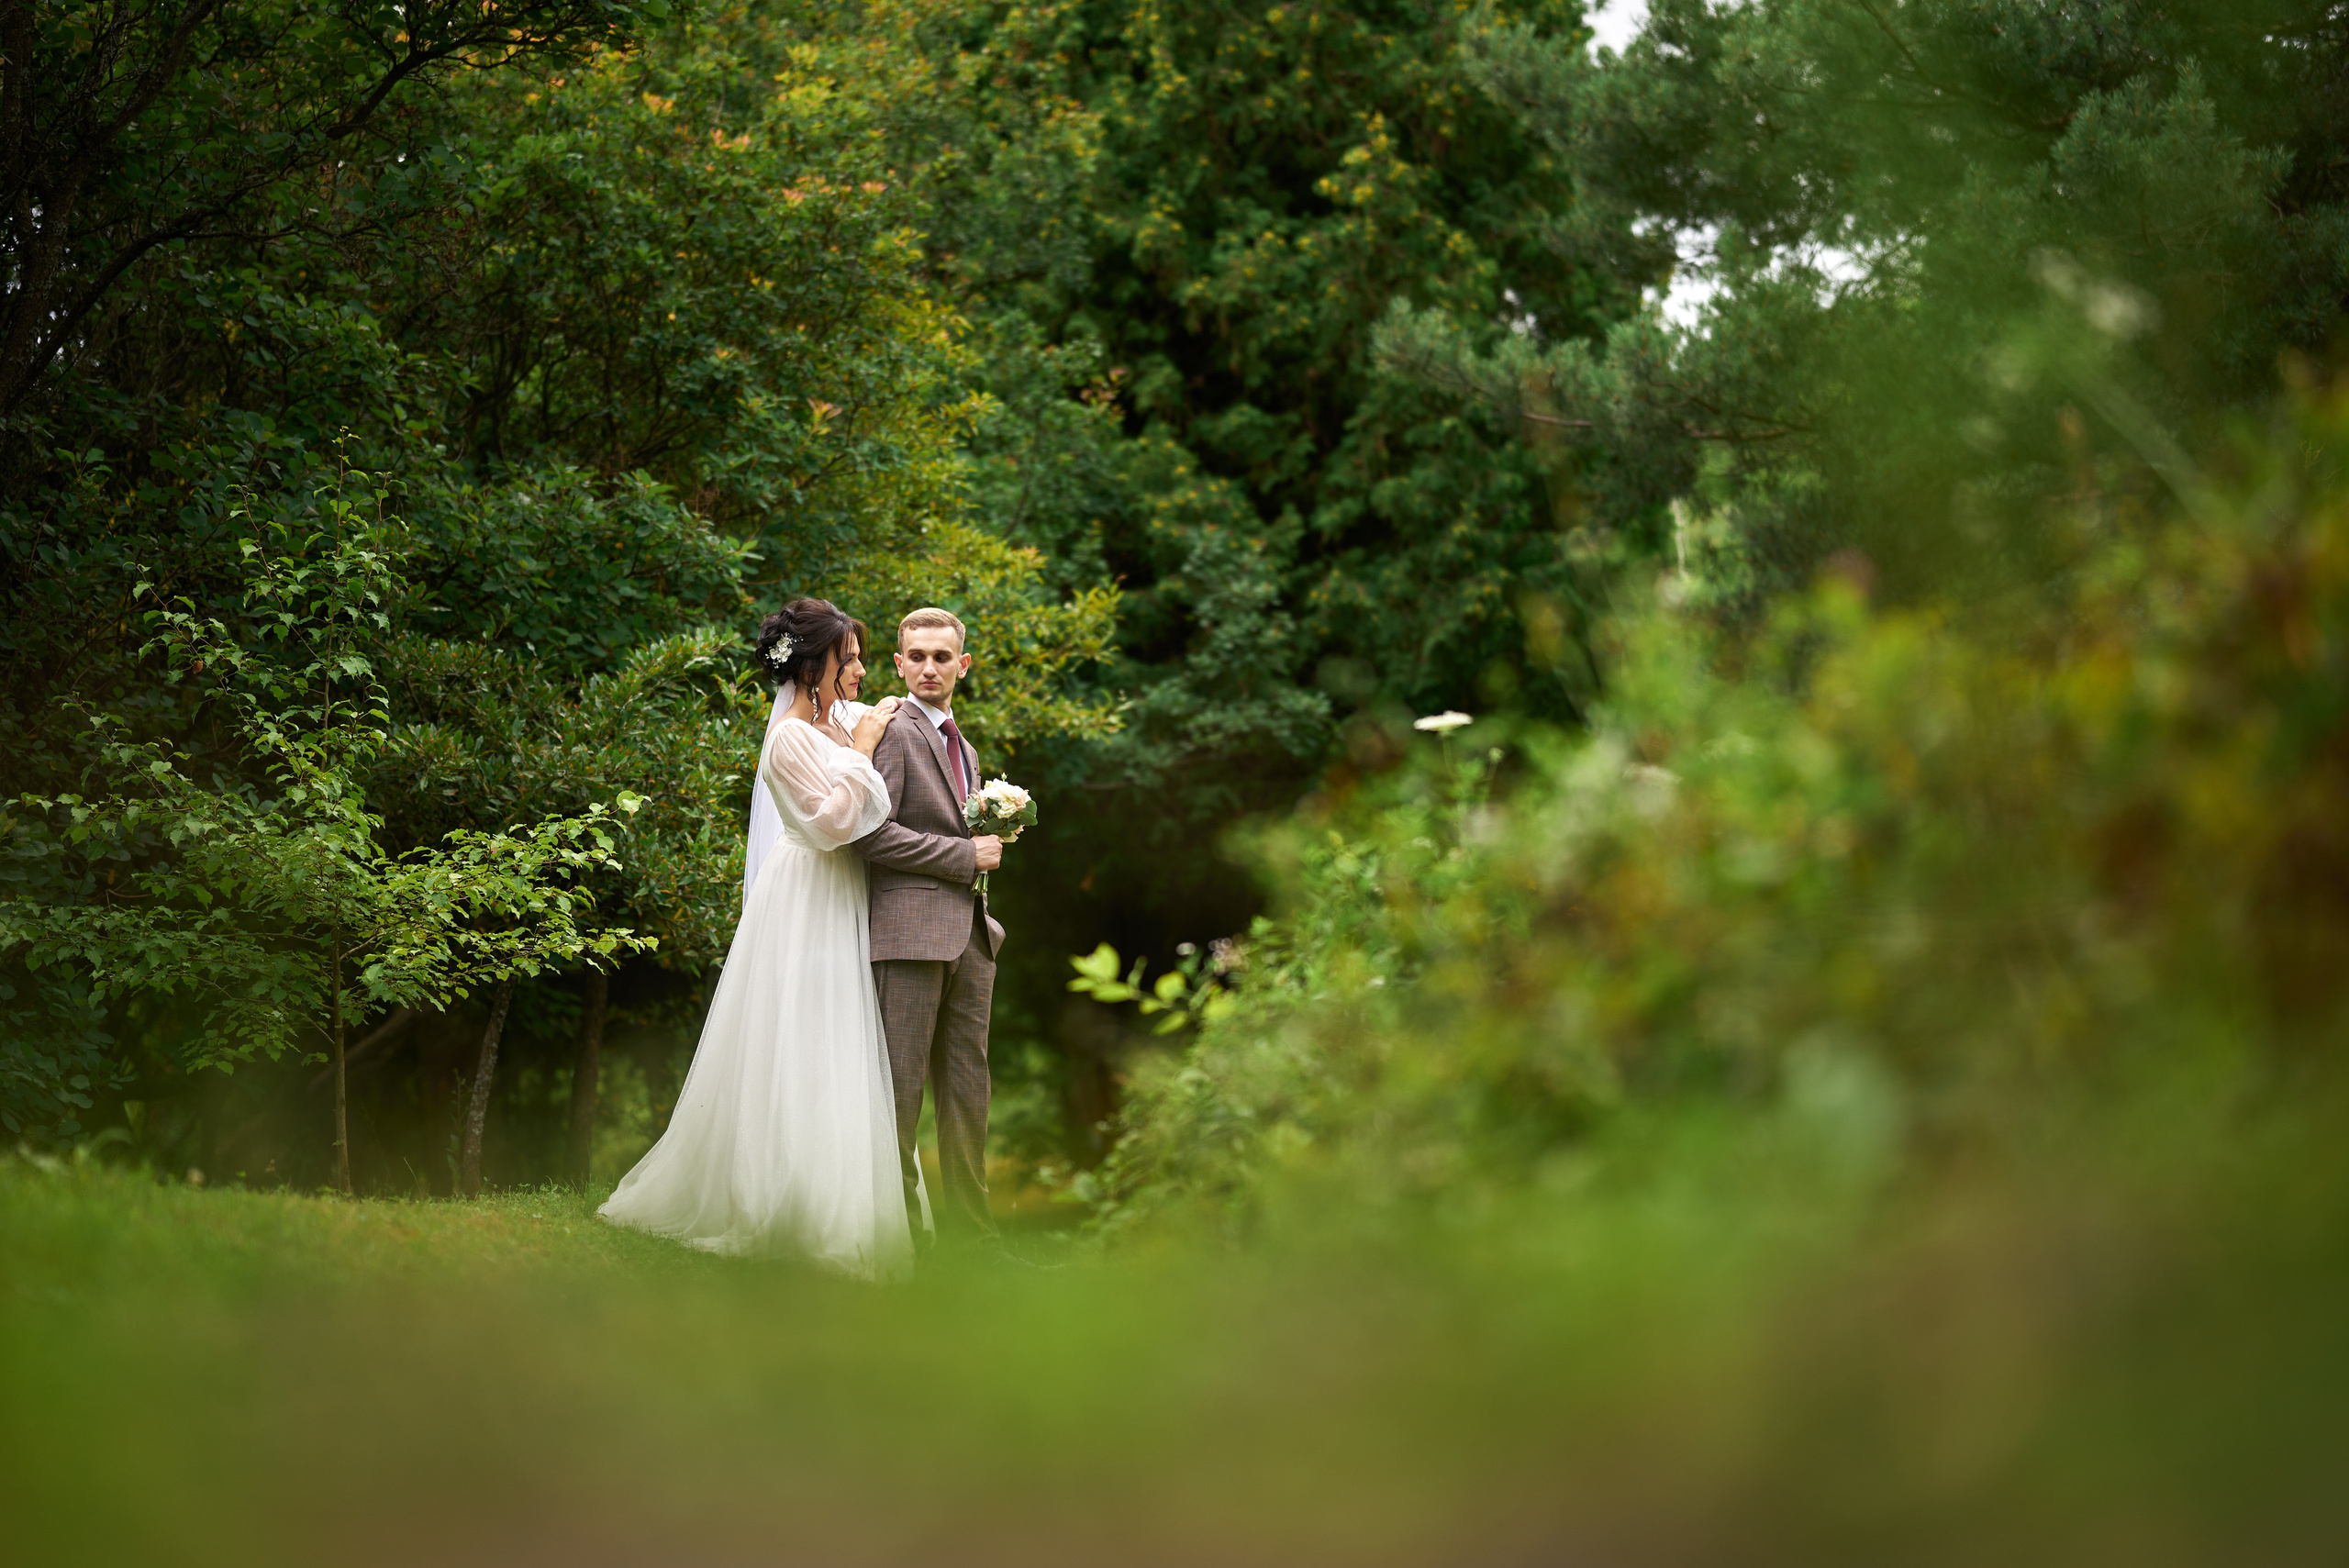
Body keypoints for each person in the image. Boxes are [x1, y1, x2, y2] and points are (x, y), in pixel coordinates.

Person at [597, 599, 915, 1279]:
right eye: (848, 658)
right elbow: (828, 824)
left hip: (842, 894)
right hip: (807, 895)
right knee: (803, 1034)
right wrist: (860, 754)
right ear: (812, 666)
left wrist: (877, 722)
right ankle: (785, 1200)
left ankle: (837, 1200)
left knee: (841, 1036)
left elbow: (895, 724)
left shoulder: (839, 721)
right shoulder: (790, 741)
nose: (859, 669)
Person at [851, 606, 1007, 1244]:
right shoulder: (893, 731)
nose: (928, 668)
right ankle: (901, 1242)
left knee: (969, 1096)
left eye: (942, 657)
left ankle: (977, 1241)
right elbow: (867, 833)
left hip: (972, 938)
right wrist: (964, 855)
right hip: (908, 934)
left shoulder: (963, 745)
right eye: (916, 656)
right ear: (898, 662)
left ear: (962, 665)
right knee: (898, 1098)